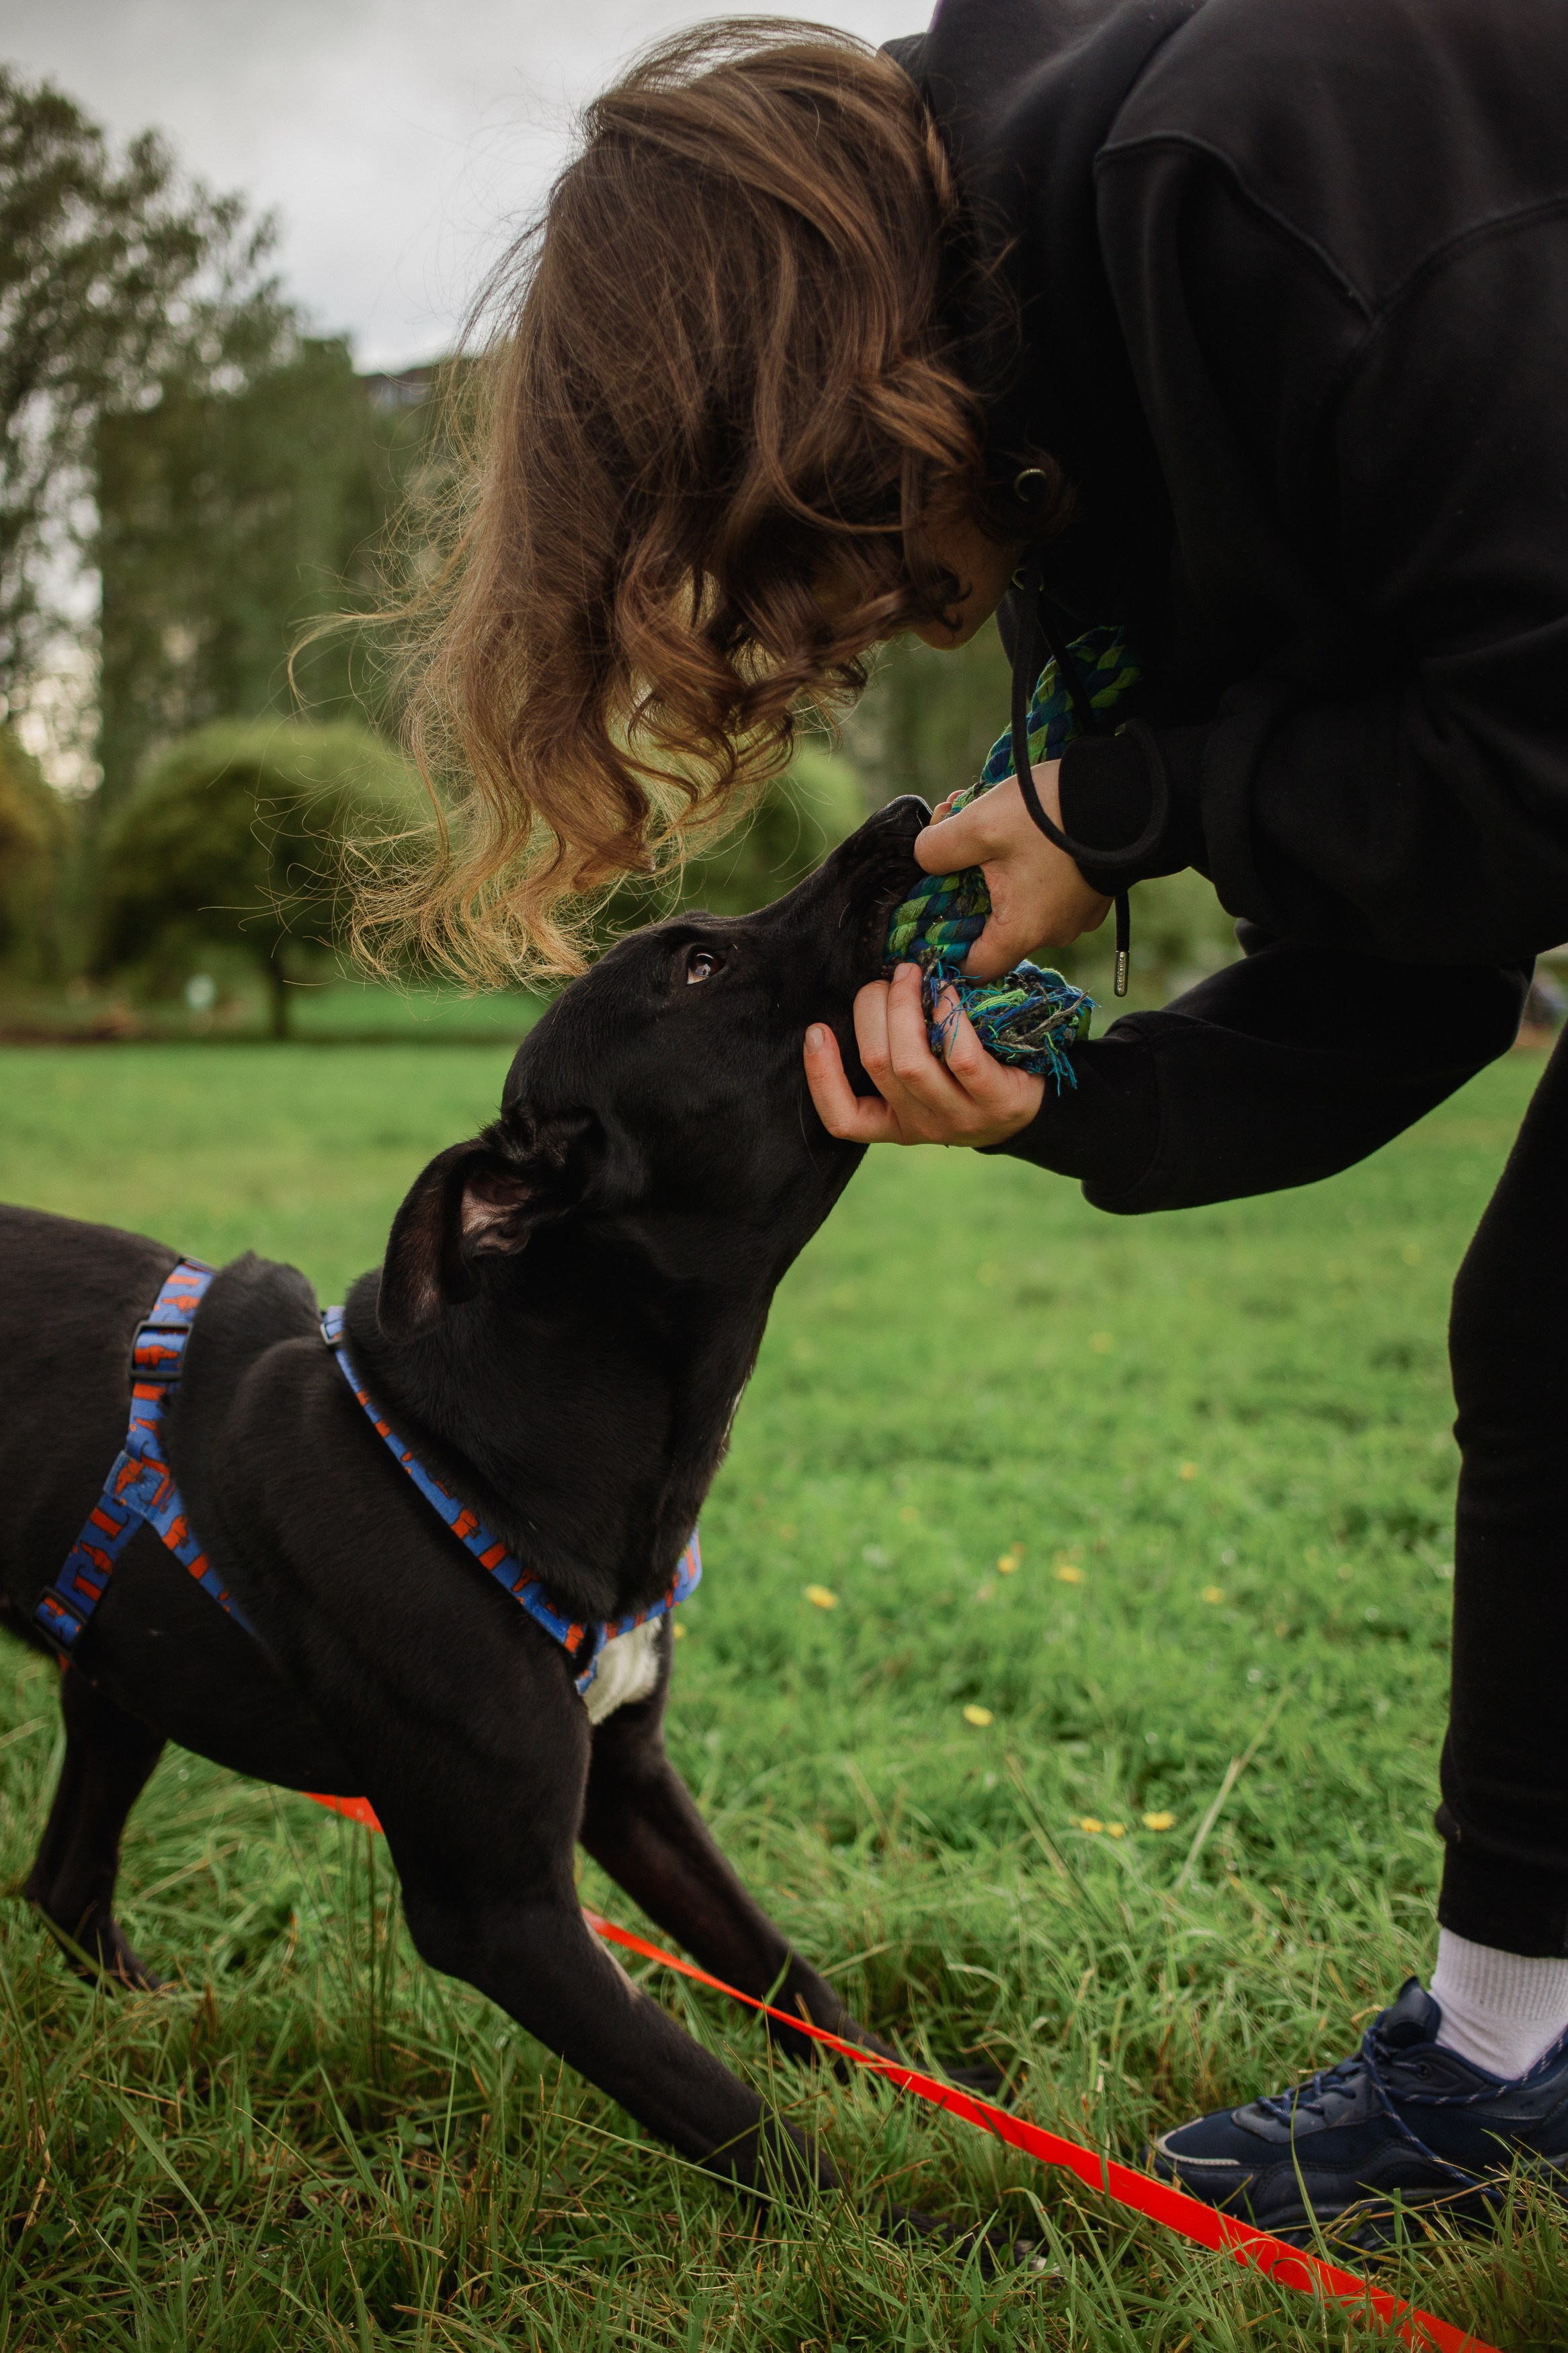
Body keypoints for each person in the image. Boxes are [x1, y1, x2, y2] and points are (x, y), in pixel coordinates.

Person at [398, 1, 1568, 2239]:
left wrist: (1132, 804)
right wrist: (1066, 1100)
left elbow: (1543, 768)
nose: (830, 655)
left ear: (807, 392)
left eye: (784, 580)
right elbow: (1412, 963)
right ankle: (1518, 2045)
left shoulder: (1267, 164)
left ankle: (1519, 2055)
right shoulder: (1066, 447)